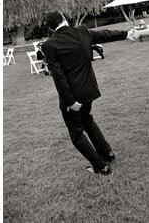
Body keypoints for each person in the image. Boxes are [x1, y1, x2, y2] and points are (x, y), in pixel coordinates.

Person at [40, 14, 114, 176]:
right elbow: (106, 34)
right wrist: (128, 33)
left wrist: (69, 101)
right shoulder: (82, 31)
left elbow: (58, 76)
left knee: (77, 133)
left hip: (74, 96)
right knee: (87, 120)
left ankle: (101, 166)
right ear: (64, 19)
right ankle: (107, 153)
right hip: (88, 91)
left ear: (51, 27)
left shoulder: (49, 44)